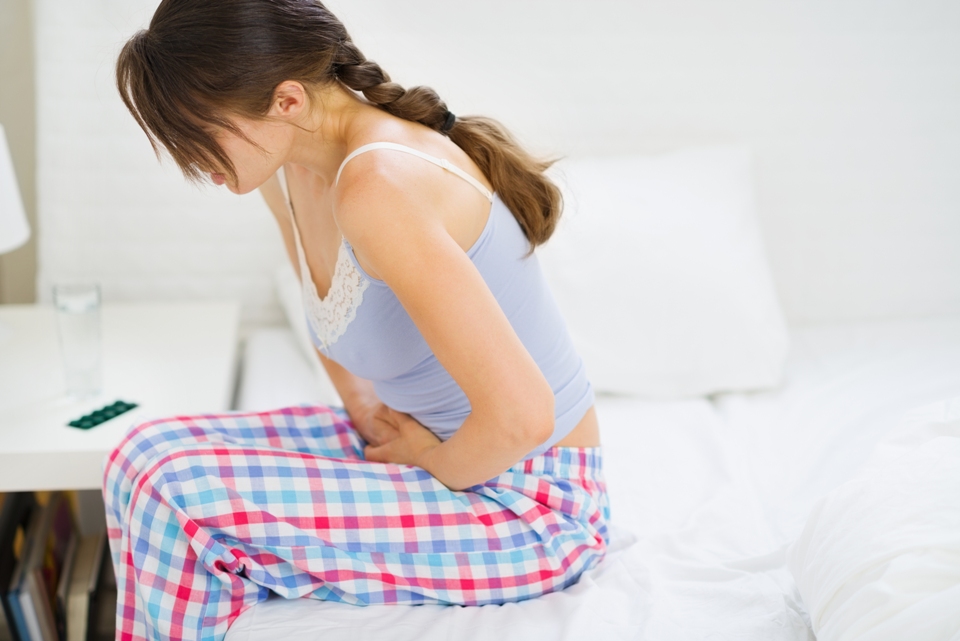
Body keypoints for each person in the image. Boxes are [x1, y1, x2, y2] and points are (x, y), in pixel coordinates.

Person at [103, 1, 608, 639]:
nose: (194, 162)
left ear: (287, 100)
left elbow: (523, 417)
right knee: (136, 455)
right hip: (435, 443)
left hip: (529, 504)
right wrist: (366, 414)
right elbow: (332, 325)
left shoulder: (378, 185)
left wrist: (428, 461)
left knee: (176, 490)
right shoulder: (287, 170)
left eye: (201, 133)